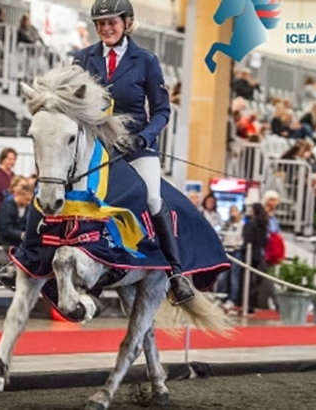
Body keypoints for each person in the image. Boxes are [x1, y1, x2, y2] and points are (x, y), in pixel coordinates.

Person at [72, 0, 193, 305]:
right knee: (56, 185)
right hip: (97, 148)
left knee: (152, 197)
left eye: (112, 22)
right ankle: (28, 255)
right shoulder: (83, 58)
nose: (106, 29)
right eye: (100, 24)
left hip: (135, 147)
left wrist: (145, 137)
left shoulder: (146, 61)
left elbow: (163, 110)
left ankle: (176, 273)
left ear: (127, 22)